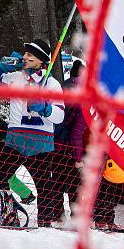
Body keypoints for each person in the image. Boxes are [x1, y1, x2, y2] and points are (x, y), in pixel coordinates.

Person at [0, 39, 65, 227]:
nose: (25, 57)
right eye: (25, 54)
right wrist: (1, 67)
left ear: (41, 61)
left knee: (45, 186)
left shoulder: (51, 84)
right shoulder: (14, 79)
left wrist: (45, 108)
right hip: (15, 140)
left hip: (41, 143)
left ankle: (45, 224)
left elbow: (60, 116)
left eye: (30, 55)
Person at [52, 59, 87, 223]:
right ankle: (75, 215)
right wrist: (78, 158)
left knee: (56, 181)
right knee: (74, 183)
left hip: (52, 142)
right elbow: (77, 132)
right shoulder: (83, 95)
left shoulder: (62, 87)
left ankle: (58, 214)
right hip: (68, 146)